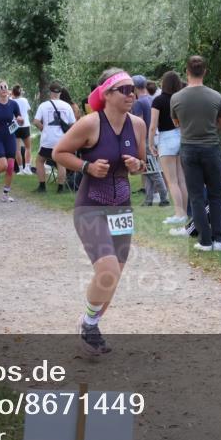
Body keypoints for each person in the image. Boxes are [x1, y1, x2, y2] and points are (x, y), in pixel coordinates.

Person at [53, 68, 146, 355]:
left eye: (133, 89)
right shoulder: (90, 123)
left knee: (114, 275)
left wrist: (137, 166)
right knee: (106, 270)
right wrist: (87, 167)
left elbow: (142, 161)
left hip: (121, 208)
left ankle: (90, 323)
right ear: (106, 94)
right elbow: (59, 153)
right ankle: (90, 323)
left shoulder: (138, 124)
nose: (132, 94)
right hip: (91, 205)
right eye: (125, 90)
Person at [170, 55, 221, 251]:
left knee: (196, 196)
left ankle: (205, 240)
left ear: (187, 72)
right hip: (211, 147)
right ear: (205, 72)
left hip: (188, 148)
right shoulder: (215, 96)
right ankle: (220, 239)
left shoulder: (176, 98)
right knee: (216, 195)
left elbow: (176, 122)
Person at [149, 71, 188, 226]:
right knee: (182, 179)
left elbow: (153, 126)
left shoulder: (158, 101)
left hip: (166, 138)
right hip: (182, 136)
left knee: (172, 181)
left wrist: (151, 143)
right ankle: (184, 212)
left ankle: (179, 214)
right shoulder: (182, 99)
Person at [130, 75, 169, 207]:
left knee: (153, 171)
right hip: (154, 137)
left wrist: (136, 142)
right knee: (147, 170)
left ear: (134, 88)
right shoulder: (150, 99)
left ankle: (164, 197)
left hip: (145, 140)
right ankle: (148, 199)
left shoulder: (138, 103)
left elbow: (138, 123)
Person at [33, 82, 76, 193]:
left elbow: (36, 121)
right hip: (62, 140)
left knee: (39, 161)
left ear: (50, 92)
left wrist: (44, 129)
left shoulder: (43, 105)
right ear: (60, 93)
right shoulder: (67, 106)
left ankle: (42, 187)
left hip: (48, 140)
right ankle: (60, 188)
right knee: (60, 163)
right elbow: (73, 124)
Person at [10, 85, 33, 174]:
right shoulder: (24, 100)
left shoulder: (11, 101)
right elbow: (27, 110)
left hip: (15, 125)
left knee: (17, 149)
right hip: (25, 125)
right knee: (28, 147)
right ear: (20, 92)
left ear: (13, 93)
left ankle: (20, 169)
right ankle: (27, 167)